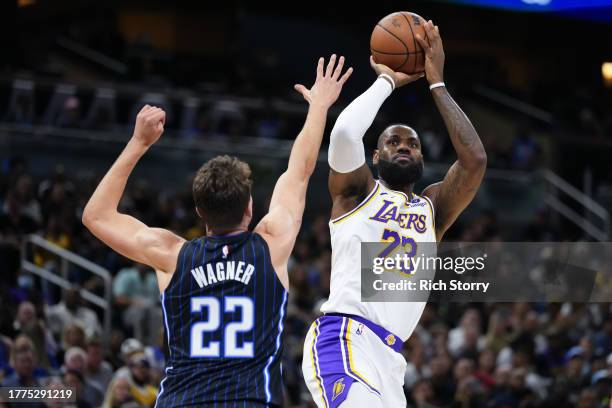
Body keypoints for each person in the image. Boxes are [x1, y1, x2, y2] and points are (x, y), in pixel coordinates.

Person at [82, 55, 352, 406]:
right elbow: (300, 171)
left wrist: (139, 142)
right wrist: (318, 106)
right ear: (250, 208)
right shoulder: (272, 244)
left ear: (199, 212)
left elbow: (96, 216)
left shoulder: (171, 254)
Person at [302, 21, 487, 407]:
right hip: (346, 338)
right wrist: (387, 81)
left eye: (413, 143)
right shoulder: (356, 193)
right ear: (376, 156)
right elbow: (344, 135)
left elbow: (474, 162)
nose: (404, 146)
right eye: (393, 141)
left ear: (422, 157)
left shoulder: (432, 208)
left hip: (390, 361)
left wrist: (437, 84)